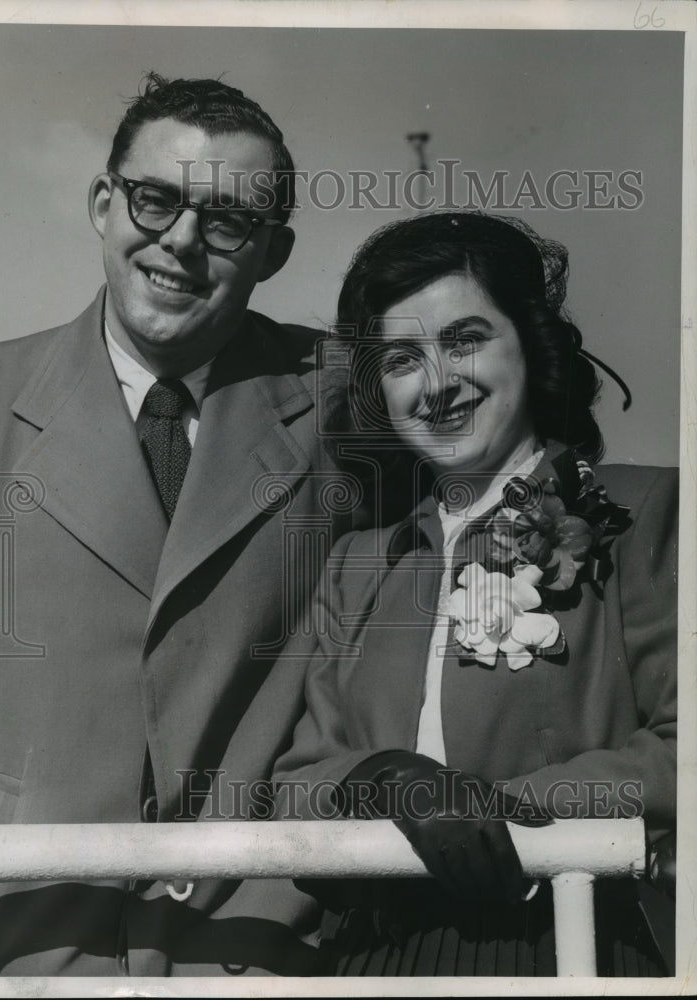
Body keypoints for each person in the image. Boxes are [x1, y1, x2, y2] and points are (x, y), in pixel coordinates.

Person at [0, 74, 365, 976]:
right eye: (155, 199)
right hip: (21, 933)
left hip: (256, 939)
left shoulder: (345, 399)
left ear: (273, 252)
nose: (181, 243)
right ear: (103, 202)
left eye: (228, 222)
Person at [270, 211, 677, 976]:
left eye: (465, 340)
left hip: (570, 945)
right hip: (376, 960)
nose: (438, 385)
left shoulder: (648, 514)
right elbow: (296, 789)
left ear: (532, 342)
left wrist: (505, 813)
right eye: (401, 358)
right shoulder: (358, 565)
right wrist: (386, 780)